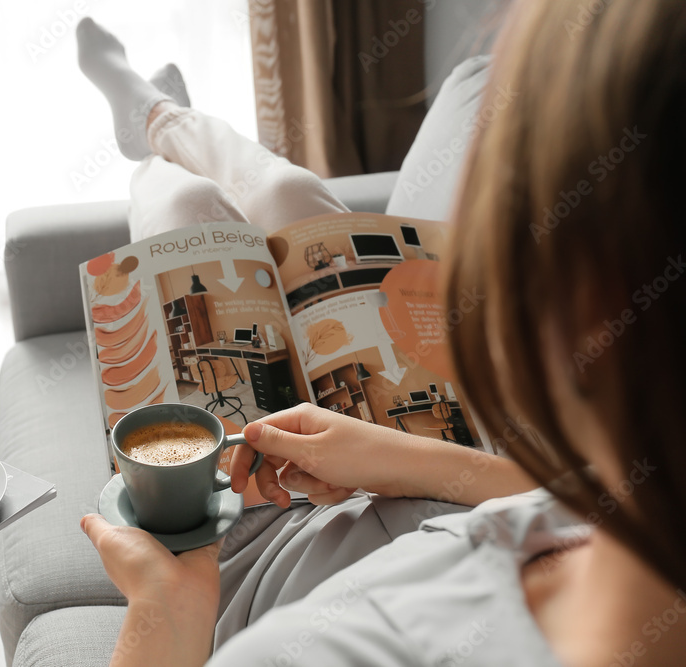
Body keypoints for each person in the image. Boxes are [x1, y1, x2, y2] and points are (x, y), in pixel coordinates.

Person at [74, 1, 686, 664]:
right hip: (384, 451)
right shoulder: (644, 491)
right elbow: (577, 495)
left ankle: (154, 134)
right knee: (287, 188)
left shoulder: (322, 648)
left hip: (257, 536)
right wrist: (397, 457)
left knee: (186, 206)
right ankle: (161, 117)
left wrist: (163, 610)